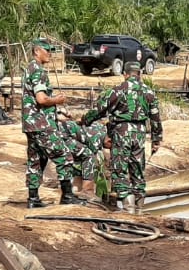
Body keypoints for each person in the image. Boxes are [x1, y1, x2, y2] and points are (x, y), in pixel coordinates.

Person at [81, 60, 163, 212]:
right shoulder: (149, 92)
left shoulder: (117, 90)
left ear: (125, 74)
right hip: (139, 134)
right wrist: (156, 139)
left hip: (121, 132)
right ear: (139, 74)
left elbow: (100, 109)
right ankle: (140, 209)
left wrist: (85, 120)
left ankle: (127, 209)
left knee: (120, 170)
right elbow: (155, 118)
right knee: (137, 169)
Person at [21, 38, 85, 207]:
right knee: (64, 156)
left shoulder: (29, 68)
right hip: (41, 125)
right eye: (47, 49)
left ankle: (33, 199)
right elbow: (41, 99)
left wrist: (57, 110)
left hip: (31, 124)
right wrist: (57, 100)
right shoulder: (38, 71)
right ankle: (67, 196)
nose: (50, 53)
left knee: (35, 160)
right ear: (37, 51)